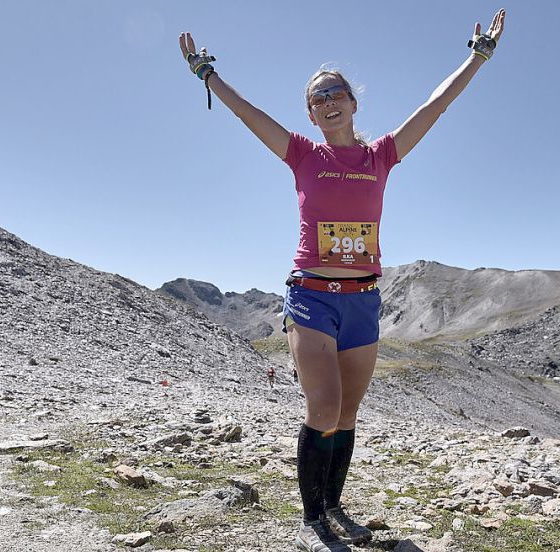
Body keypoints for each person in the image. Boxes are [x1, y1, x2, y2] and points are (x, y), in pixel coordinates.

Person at [179, 10, 505, 550]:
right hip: (311, 296)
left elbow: (436, 106)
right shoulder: (303, 155)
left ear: (354, 102)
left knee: (348, 413)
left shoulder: (381, 156)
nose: (328, 102)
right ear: (310, 114)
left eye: (336, 93)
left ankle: (334, 507)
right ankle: (313, 521)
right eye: (317, 98)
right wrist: (207, 75)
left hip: (363, 301)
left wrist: (477, 57)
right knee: (323, 408)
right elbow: (248, 114)